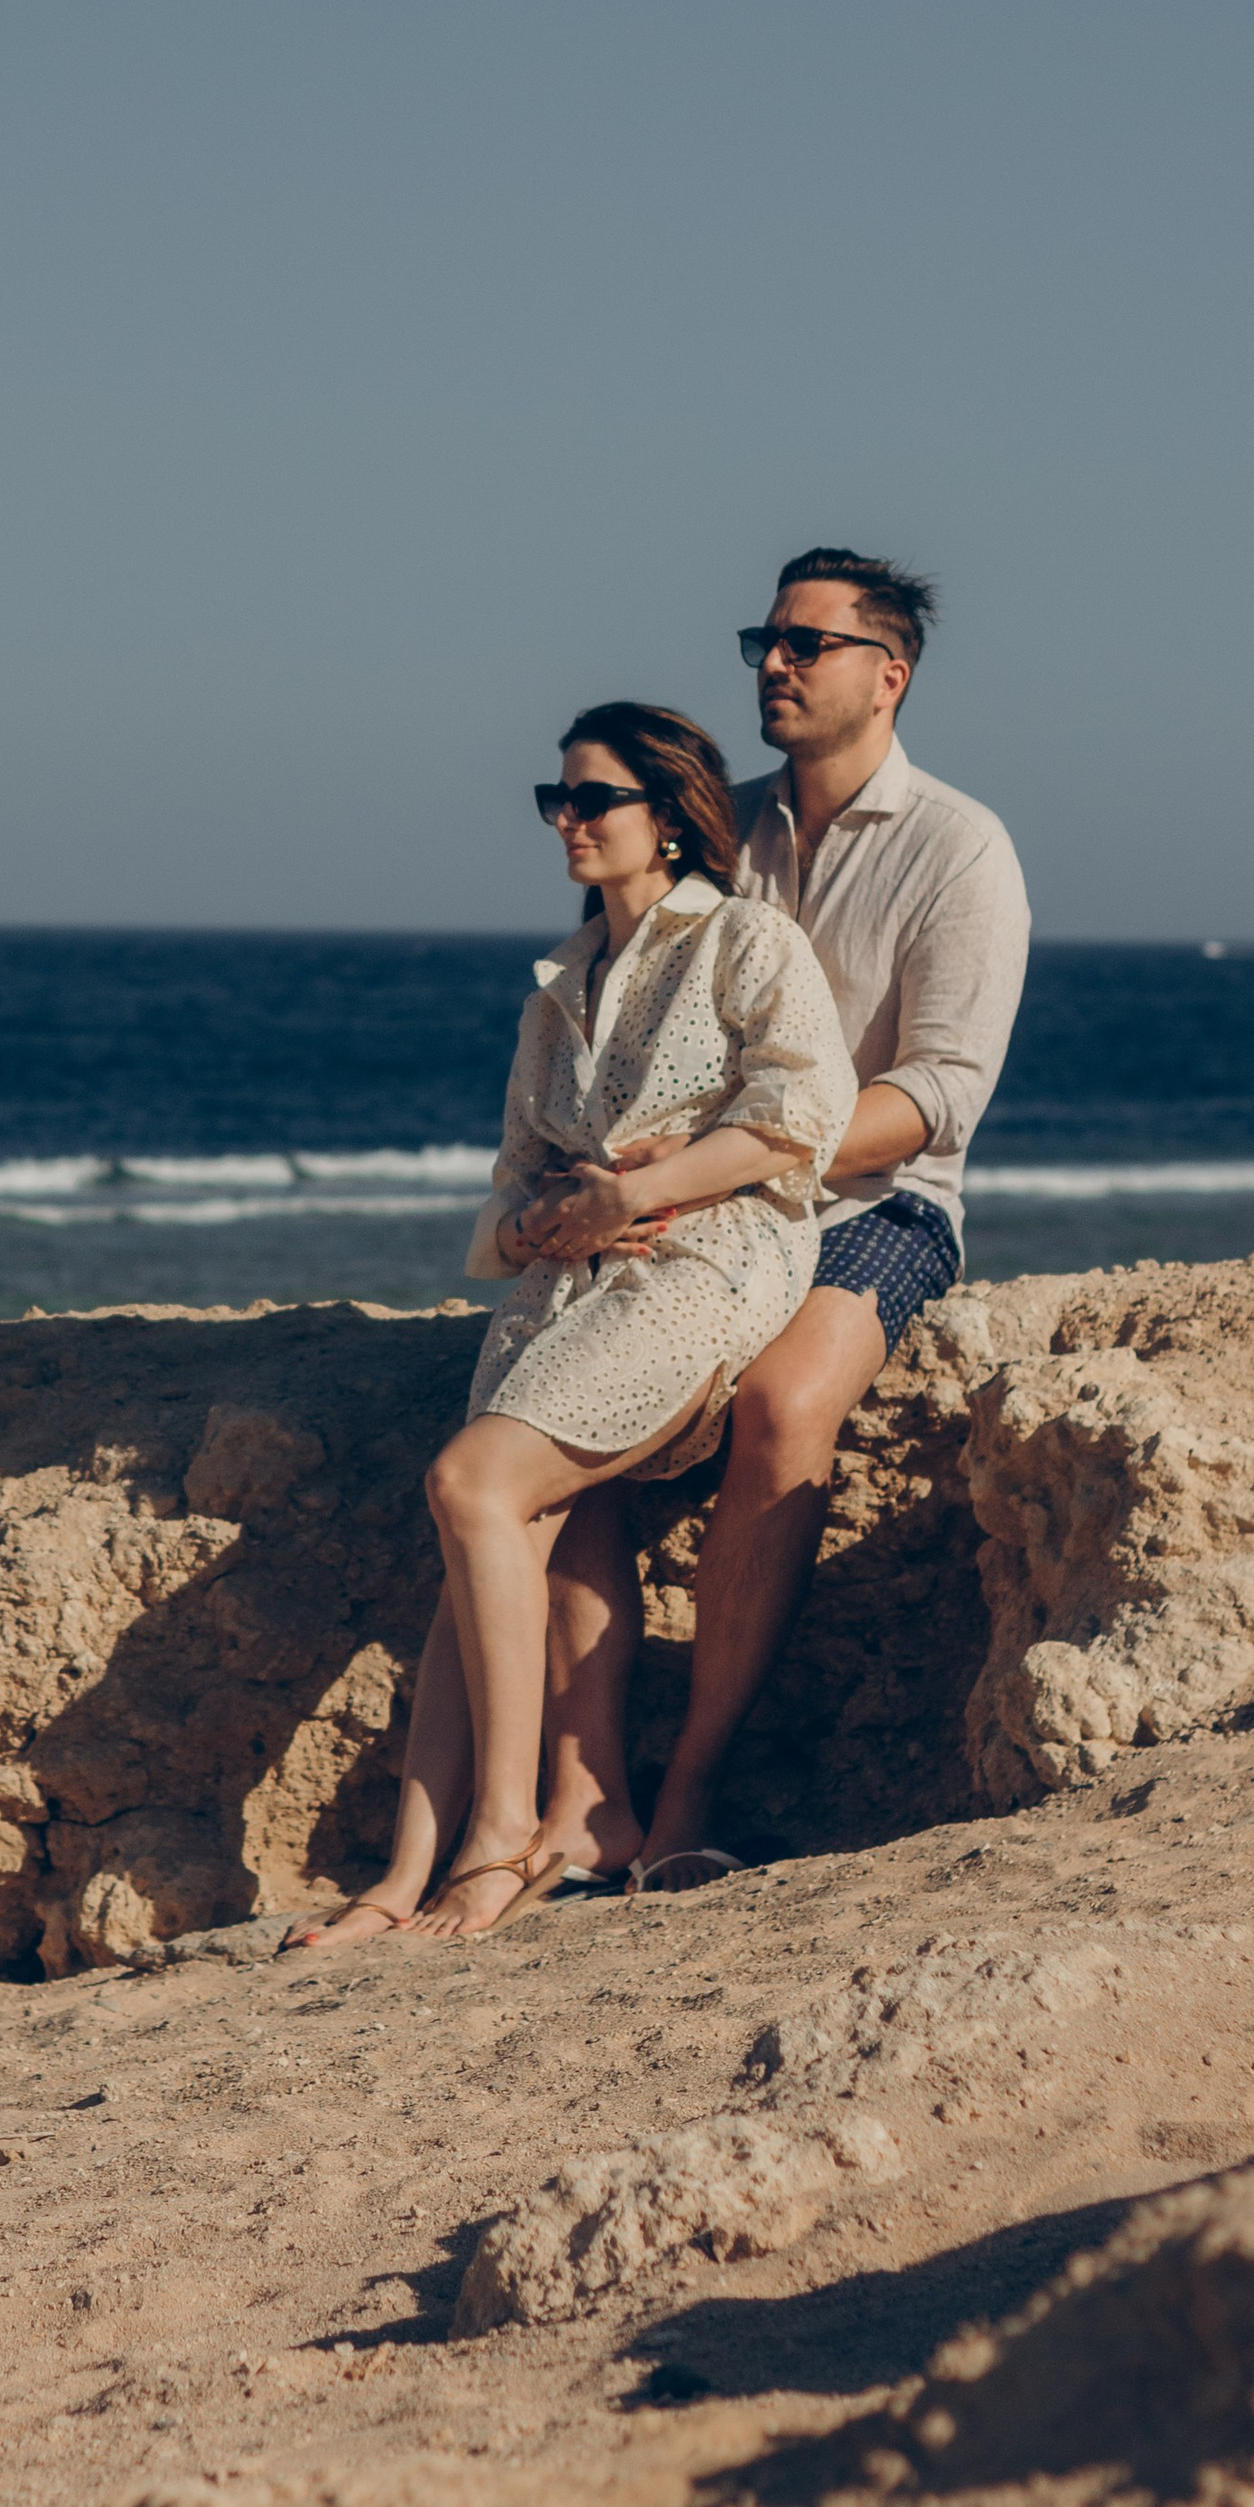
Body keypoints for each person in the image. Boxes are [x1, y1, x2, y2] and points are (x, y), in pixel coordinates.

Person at [283, 703, 855, 1948]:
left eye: (594, 798)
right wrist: (546, 1217)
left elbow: (802, 1120)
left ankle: (503, 1831)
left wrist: (632, 1193)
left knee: (471, 1482)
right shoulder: (558, 984)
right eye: (556, 798)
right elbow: (510, 1182)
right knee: (480, 1527)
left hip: (703, 1263)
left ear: (671, 818)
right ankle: (405, 1871)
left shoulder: (747, 942)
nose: (568, 820)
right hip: (562, 1286)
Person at [539, 551, 1031, 1890]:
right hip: (691, 1203)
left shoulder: (958, 846)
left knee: (781, 1401)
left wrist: (728, 1158)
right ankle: (589, 1801)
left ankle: (692, 1795)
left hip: (878, 1205)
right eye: (766, 638)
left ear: (890, 675)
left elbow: (940, 1093)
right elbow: (610, 1016)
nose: (773, 662)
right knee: (563, 1402)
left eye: (806, 644)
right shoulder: (710, 831)